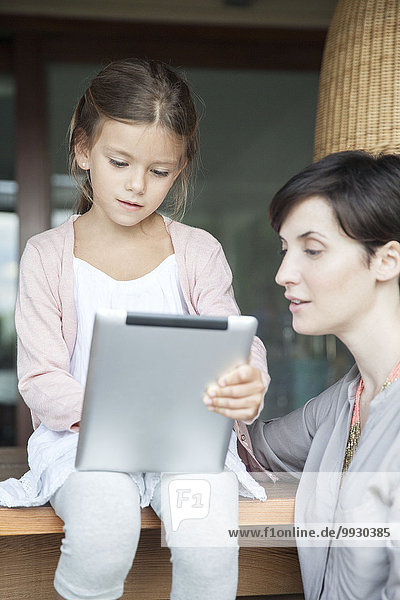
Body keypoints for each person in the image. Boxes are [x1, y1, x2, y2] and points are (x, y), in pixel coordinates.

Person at [0, 58, 270, 600]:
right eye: (119, 162)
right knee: (104, 535)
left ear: (181, 168)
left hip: (186, 445)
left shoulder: (198, 251)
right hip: (81, 446)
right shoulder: (48, 255)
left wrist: (248, 380)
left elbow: (237, 340)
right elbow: (40, 377)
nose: (136, 186)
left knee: (210, 548)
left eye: (159, 171)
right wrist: (115, 415)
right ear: (83, 150)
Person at [208, 150, 400, 600]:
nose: (283, 274)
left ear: (386, 261)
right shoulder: (344, 403)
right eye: (285, 250)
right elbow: (248, 448)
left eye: (312, 250)